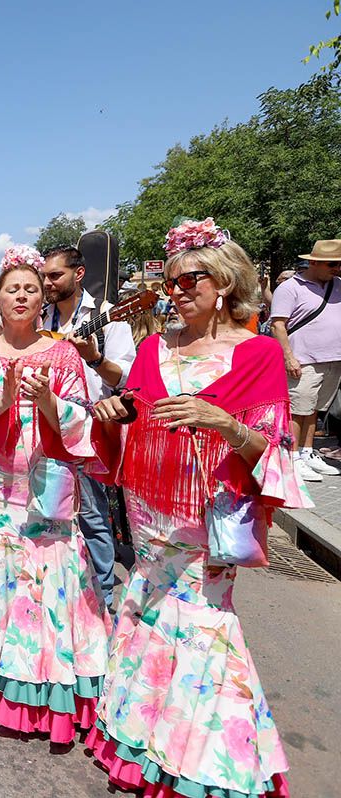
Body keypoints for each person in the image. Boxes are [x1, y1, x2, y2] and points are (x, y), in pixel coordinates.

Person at [87, 218, 308, 797]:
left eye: (194, 279)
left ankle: (213, 756)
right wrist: (115, 414)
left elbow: (273, 450)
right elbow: (135, 407)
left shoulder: (258, 353)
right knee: (147, 610)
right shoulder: (154, 346)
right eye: (175, 281)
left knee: (206, 625)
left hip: (211, 515)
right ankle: (143, 736)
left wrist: (228, 425)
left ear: (227, 284)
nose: (180, 290)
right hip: (150, 510)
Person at [0, 244, 109, 743]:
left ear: (42, 300)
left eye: (32, 289)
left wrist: (50, 402)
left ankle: (44, 679)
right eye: (13, 288)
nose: (22, 296)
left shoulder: (63, 354)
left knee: (45, 573)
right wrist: (1, 402)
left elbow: (82, 424)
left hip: (46, 488)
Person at [39, 245, 137, 609]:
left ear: (78, 275)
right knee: (50, 509)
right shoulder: (40, 317)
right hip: (47, 425)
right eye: (45, 276)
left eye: (55, 276)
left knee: (93, 513)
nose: (47, 283)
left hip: (91, 427)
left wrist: (93, 357)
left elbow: (126, 377)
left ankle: (101, 596)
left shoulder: (111, 317)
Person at [270, 238, 341, 483]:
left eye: (339, 265)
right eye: (332, 264)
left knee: (313, 410)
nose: (337, 269)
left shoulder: (338, 285)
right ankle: (292, 456)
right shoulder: (291, 287)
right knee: (297, 411)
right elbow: (278, 324)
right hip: (303, 360)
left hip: (333, 359)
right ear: (315, 262)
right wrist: (289, 357)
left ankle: (307, 452)